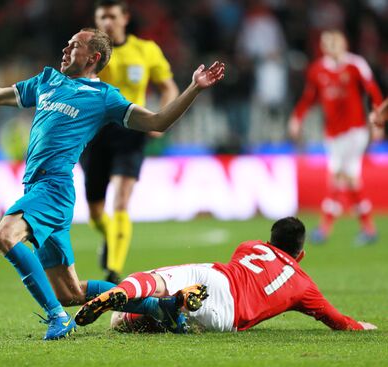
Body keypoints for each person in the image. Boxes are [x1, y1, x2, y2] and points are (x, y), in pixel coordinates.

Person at [0, 28, 225, 340]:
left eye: (74, 45)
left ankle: (58, 319)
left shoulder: (104, 99)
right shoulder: (47, 80)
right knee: (71, 291)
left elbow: (158, 121)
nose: (65, 48)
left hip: (54, 188)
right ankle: (162, 307)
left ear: (94, 57)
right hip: (37, 189)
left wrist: (194, 89)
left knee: (4, 237)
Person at [75, 217, 377, 333]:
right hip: (228, 321)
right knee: (146, 322)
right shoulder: (303, 285)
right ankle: (173, 312)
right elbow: (338, 322)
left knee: (153, 282)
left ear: (269, 241)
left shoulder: (251, 246)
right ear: (301, 255)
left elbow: (246, 268)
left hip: (217, 281)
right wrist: (360, 326)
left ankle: (135, 296)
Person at [80, 0, 179, 283]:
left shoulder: (145, 50)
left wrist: (162, 117)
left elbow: (168, 86)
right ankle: (111, 236)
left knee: (121, 199)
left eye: (112, 16)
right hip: (95, 132)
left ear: (125, 17)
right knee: (96, 212)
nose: (107, 22)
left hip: (132, 130)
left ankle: (113, 270)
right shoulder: (90, 51)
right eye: (102, 17)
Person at [287, 30, 384, 246]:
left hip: (355, 130)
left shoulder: (355, 65)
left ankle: (324, 229)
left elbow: (372, 90)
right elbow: (309, 97)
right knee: (349, 179)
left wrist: (377, 119)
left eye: (335, 42)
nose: (331, 47)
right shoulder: (317, 70)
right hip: (332, 134)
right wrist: (297, 117)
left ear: (343, 44)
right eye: (326, 43)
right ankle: (368, 228)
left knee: (339, 176)